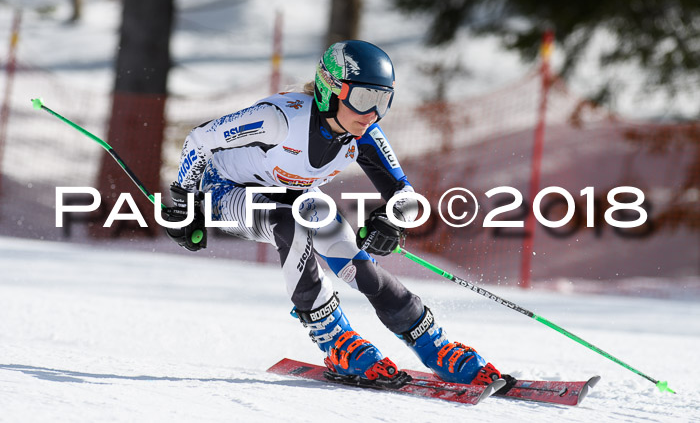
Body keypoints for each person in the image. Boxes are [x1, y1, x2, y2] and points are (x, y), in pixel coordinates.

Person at [163, 40, 508, 387]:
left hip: (296, 195)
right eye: (362, 99)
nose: (371, 114)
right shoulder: (279, 119)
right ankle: (333, 338)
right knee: (290, 224)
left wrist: (392, 219)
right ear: (330, 91)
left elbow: (404, 193)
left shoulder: (364, 133)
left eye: (382, 101)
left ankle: (433, 343)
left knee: (356, 263)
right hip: (225, 189)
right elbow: (199, 140)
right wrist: (184, 202)